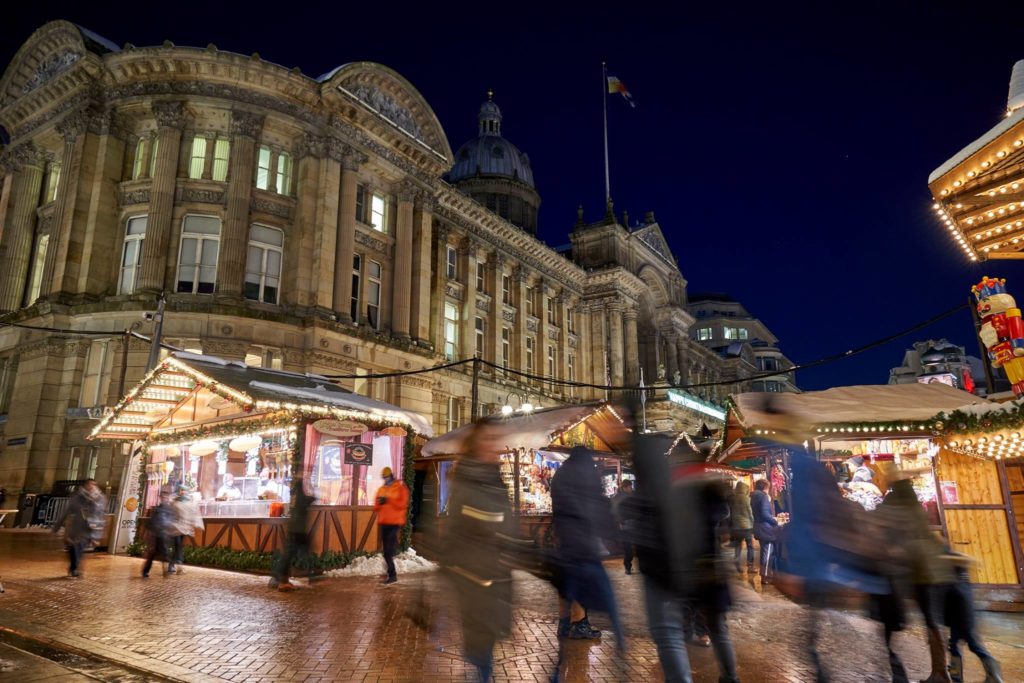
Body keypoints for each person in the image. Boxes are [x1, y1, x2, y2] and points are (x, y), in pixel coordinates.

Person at [442, 426, 513, 682]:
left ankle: (481, 670)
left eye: (497, 439)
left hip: (495, 566)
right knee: (479, 630)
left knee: (491, 629)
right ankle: (480, 673)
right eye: (489, 439)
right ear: (475, 445)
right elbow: (464, 520)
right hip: (471, 568)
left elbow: (506, 519)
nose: (495, 446)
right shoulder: (467, 478)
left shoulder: (495, 478)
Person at [880, 477, 956, 683]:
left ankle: (939, 673)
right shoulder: (916, 508)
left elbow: (895, 538)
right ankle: (941, 671)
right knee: (933, 621)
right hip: (933, 570)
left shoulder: (897, 507)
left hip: (921, 572)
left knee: (929, 621)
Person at [551, 446, 624, 649]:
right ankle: (579, 624)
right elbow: (598, 505)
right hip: (583, 537)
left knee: (566, 581)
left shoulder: (560, 474)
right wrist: (613, 532)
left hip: (564, 535)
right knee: (584, 581)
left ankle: (565, 623)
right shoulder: (586, 472)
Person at [944, 552, 1003, 683]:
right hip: (965, 621)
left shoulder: (954, 584)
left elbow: (953, 605)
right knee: (959, 647)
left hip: (962, 622)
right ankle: (958, 678)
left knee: (972, 647)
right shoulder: (964, 580)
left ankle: (994, 675)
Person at [269, 471, 314, 591]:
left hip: (297, 527)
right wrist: (315, 496)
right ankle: (279, 580)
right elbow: (306, 501)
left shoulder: (294, 492)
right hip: (297, 529)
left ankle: (282, 578)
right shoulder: (299, 493)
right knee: (289, 554)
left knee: (298, 552)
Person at [53, 479, 106, 578]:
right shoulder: (77, 497)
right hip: (76, 526)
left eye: (93, 484)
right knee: (73, 548)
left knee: (79, 547)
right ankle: (74, 568)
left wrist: (98, 534)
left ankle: (74, 568)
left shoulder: (99, 498)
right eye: (89, 484)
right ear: (85, 485)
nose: (91, 486)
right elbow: (67, 511)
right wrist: (57, 526)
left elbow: (100, 515)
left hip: (89, 528)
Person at [373, 466, 409, 585]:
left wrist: (389, 501)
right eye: (384, 478)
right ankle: (391, 573)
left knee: (388, 551)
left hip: (395, 523)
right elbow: (376, 507)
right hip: (384, 522)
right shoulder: (381, 489)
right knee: (386, 552)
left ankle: (392, 575)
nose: (385, 480)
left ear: (391, 476)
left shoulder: (400, 488)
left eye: (387, 477)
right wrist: (379, 503)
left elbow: (403, 504)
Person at [168, 486, 204, 574]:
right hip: (175, 527)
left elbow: (194, 513)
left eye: (184, 490)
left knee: (178, 546)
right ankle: (178, 566)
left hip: (184, 528)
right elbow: (170, 513)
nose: (182, 492)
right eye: (180, 490)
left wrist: (197, 524)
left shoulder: (190, 502)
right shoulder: (173, 501)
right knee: (178, 545)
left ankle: (172, 565)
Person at [142, 489, 175, 578]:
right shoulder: (157, 508)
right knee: (152, 554)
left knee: (164, 554)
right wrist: (149, 531)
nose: (164, 498)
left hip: (163, 534)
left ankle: (166, 571)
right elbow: (152, 521)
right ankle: (145, 571)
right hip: (156, 534)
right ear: (160, 497)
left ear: (168, 498)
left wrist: (167, 530)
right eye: (163, 496)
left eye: (166, 496)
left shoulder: (169, 509)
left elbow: (170, 521)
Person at [751, 479, 779, 582]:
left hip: (758, 527)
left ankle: (764, 574)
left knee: (764, 551)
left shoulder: (754, 496)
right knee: (767, 552)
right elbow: (764, 514)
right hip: (765, 528)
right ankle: (766, 577)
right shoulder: (763, 497)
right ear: (764, 487)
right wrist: (774, 521)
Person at [728, 480, 754, 574]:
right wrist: (752, 524)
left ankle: (737, 564)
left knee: (738, 546)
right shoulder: (746, 498)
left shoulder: (732, 498)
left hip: (736, 527)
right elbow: (749, 513)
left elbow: (729, 512)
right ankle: (750, 566)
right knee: (750, 546)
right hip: (746, 526)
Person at [611, 480, 636, 575]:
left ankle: (628, 567)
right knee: (628, 549)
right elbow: (615, 512)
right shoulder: (620, 498)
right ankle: (628, 567)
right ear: (625, 487)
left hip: (627, 525)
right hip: (626, 525)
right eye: (629, 487)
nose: (631, 488)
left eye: (631, 486)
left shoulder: (617, 497)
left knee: (628, 548)